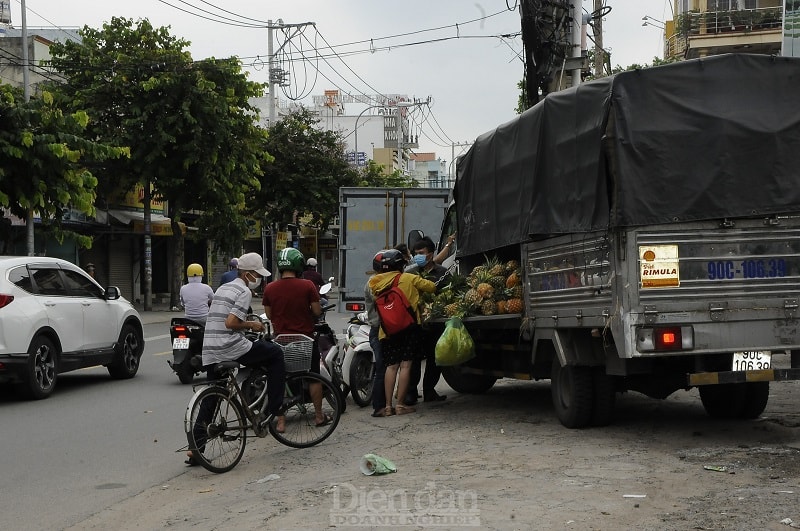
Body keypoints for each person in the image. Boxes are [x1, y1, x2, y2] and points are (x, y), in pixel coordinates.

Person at [187, 252, 284, 465]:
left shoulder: (223, 288)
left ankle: (196, 449)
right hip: (229, 346)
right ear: (248, 274)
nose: (259, 279)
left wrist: (245, 322)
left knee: (211, 397)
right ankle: (277, 407)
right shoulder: (243, 291)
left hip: (211, 348)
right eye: (257, 274)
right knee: (275, 354)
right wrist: (252, 325)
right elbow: (230, 323)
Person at [262, 247, 332, 429]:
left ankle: (281, 422)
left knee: (280, 379)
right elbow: (317, 311)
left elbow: (269, 315)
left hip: (281, 342)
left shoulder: (270, 288)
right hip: (305, 341)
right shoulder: (307, 285)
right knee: (314, 378)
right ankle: (318, 416)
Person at [368, 248, 436, 416]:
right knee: (406, 365)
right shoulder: (408, 278)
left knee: (391, 367)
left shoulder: (375, 283)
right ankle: (400, 405)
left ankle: (388, 406)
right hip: (408, 328)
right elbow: (432, 287)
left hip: (387, 331)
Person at [406, 236, 449, 404]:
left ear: (430, 254)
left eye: (421, 253)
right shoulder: (411, 273)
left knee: (434, 358)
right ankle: (410, 392)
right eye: (415, 254)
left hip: (435, 324)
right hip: (415, 324)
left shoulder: (442, 273)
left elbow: (449, 296)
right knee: (414, 360)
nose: (418, 256)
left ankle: (429, 391)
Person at [364, 260, 385, 418]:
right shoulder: (374, 282)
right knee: (381, 367)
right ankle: (378, 406)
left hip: (382, 328)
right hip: (379, 329)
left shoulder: (380, 280)